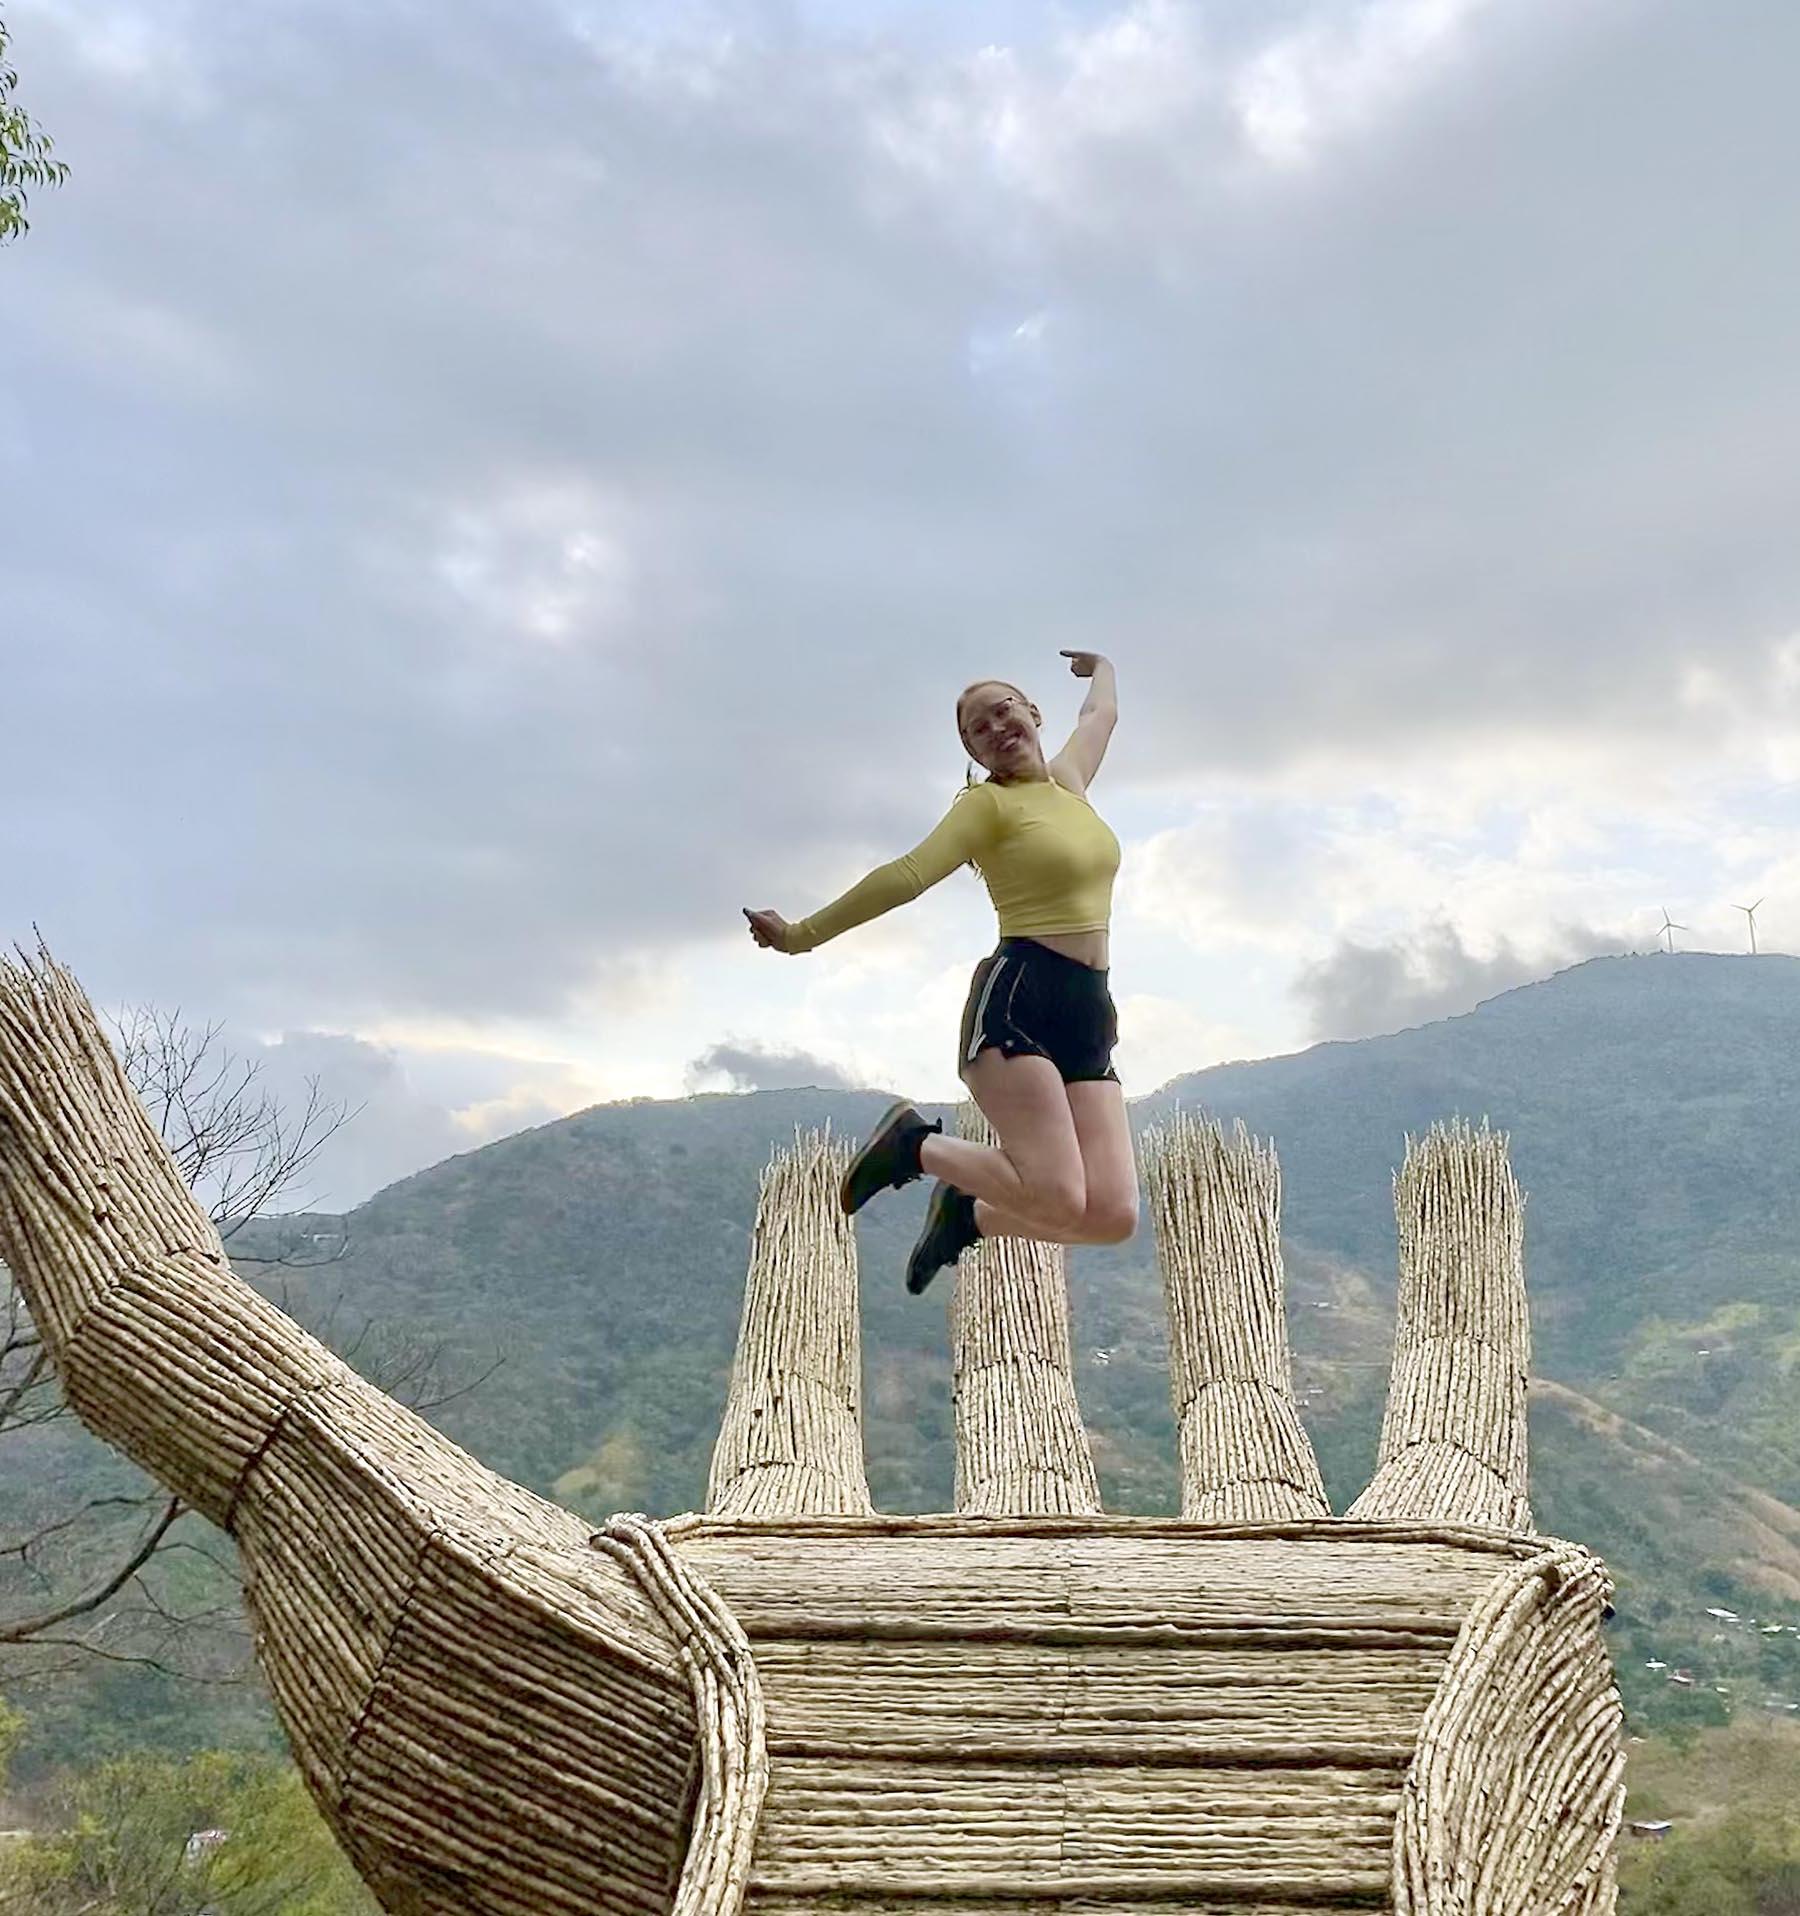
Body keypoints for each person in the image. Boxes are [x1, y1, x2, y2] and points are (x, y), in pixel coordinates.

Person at [744, 652, 1136, 1294]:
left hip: (1090, 1011)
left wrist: (1104, 667)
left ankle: (969, 1215)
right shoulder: (986, 808)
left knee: (1112, 1217)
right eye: (977, 729)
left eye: (1004, 708)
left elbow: (1103, 713)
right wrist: (800, 937)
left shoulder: (1069, 782)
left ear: (1033, 713)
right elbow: (906, 875)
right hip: (1021, 1001)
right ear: (974, 752)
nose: (996, 727)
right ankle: (913, 1146)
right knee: (1061, 1199)